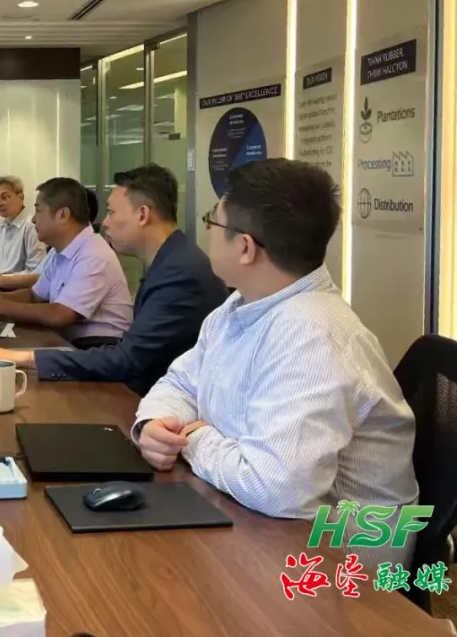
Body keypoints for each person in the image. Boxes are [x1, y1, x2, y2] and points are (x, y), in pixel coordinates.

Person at [133, 159, 417, 562]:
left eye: (212, 221)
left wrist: (193, 441)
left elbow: (275, 487)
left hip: (341, 556)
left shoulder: (315, 336)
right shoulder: (242, 304)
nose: (206, 231)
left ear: (245, 247)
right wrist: (156, 425)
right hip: (258, 515)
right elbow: (180, 383)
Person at [0, 165, 226, 395]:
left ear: (143, 215)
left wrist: (24, 357)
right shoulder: (171, 260)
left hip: (155, 400)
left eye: (112, 212)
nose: (106, 222)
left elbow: (127, 360)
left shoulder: (179, 273)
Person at [0, 177, 132, 343]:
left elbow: (60, 315)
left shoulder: (93, 254)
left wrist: (2, 306)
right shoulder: (59, 251)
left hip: (98, 346)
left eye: (38, 211)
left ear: (62, 215)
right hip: (68, 341)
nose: (33, 219)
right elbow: (34, 295)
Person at [0, 176, 45, 287]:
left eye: (4, 197)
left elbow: (35, 272)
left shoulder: (32, 226)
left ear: (21, 197)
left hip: (17, 289)